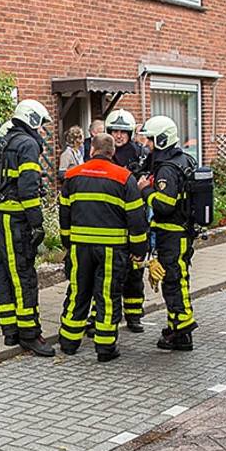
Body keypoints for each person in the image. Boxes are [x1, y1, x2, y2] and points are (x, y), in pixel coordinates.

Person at [57, 133, 148, 362]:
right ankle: (105, 348)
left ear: (91, 151)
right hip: (111, 249)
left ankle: (68, 343)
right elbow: (136, 219)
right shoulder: (124, 177)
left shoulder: (72, 176)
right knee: (107, 296)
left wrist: (68, 243)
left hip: (80, 248)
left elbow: (64, 214)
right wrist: (139, 250)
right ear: (113, 152)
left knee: (78, 292)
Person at [0, 100, 55, 357]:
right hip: (15, 218)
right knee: (23, 274)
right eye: (41, 125)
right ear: (32, 120)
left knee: (4, 272)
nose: (41, 131)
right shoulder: (26, 145)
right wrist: (36, 222)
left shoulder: (6, 140)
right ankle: (30, 334)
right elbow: (29, 189)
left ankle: (10, 331)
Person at [138, 116, 197, 351]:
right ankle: (175, 326)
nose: (147, 145)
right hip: (179, 232)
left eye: (151, 140)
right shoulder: (183, 160)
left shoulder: (167, 169)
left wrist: (145, 190)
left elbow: (164, 204)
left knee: (174, 281)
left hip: (173, 234)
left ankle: (182, 333)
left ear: (162, 140)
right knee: (175, 280)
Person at [104, 109, 149, 333]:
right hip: (110, 221)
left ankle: (134, 316)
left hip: (134, 219)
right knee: (109, 275)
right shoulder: (103, 154)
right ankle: (109, 315)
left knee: (135, 272)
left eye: (123, 132)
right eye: (115, 131)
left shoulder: (140, 154)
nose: (119, 135)